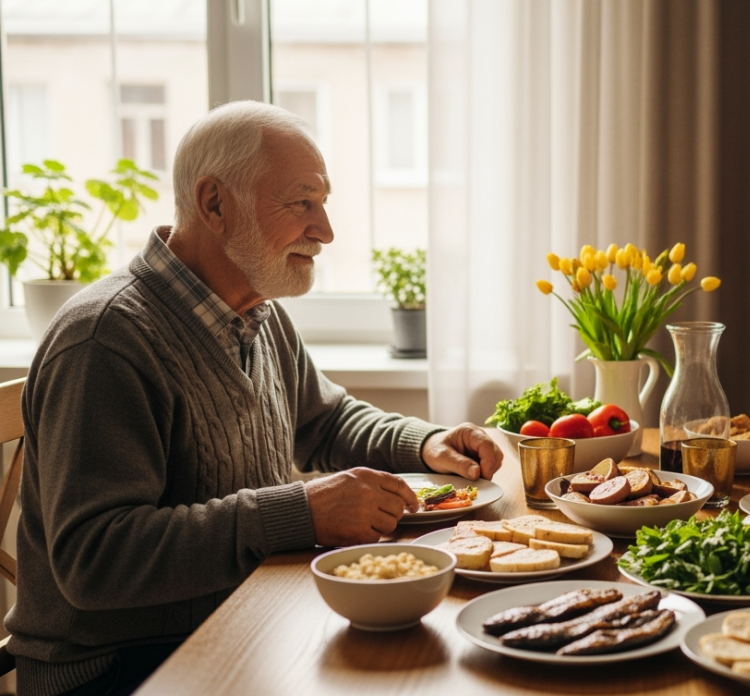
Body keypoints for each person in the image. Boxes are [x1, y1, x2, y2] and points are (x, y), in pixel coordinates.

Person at [5, 101, 504, 696]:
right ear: (215, 204)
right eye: (302, 203)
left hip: (241, 620)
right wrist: (299, 512)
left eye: (324, 203)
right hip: (118, 669)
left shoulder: (256, 314)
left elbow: (324, 421)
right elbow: (95, 560)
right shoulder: (105, 339)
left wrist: (425, 443)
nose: (325, 230)